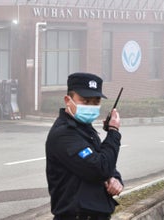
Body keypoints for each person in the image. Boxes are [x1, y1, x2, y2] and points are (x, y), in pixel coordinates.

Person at [45, 72, 123, 220]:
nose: (91, 107)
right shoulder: (64, 135)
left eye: (96, 102)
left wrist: (114, 178)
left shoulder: (85, 129)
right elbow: (99, 168)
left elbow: (107, 164)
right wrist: (113, 132)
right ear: (68, 100)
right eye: (85, 101)